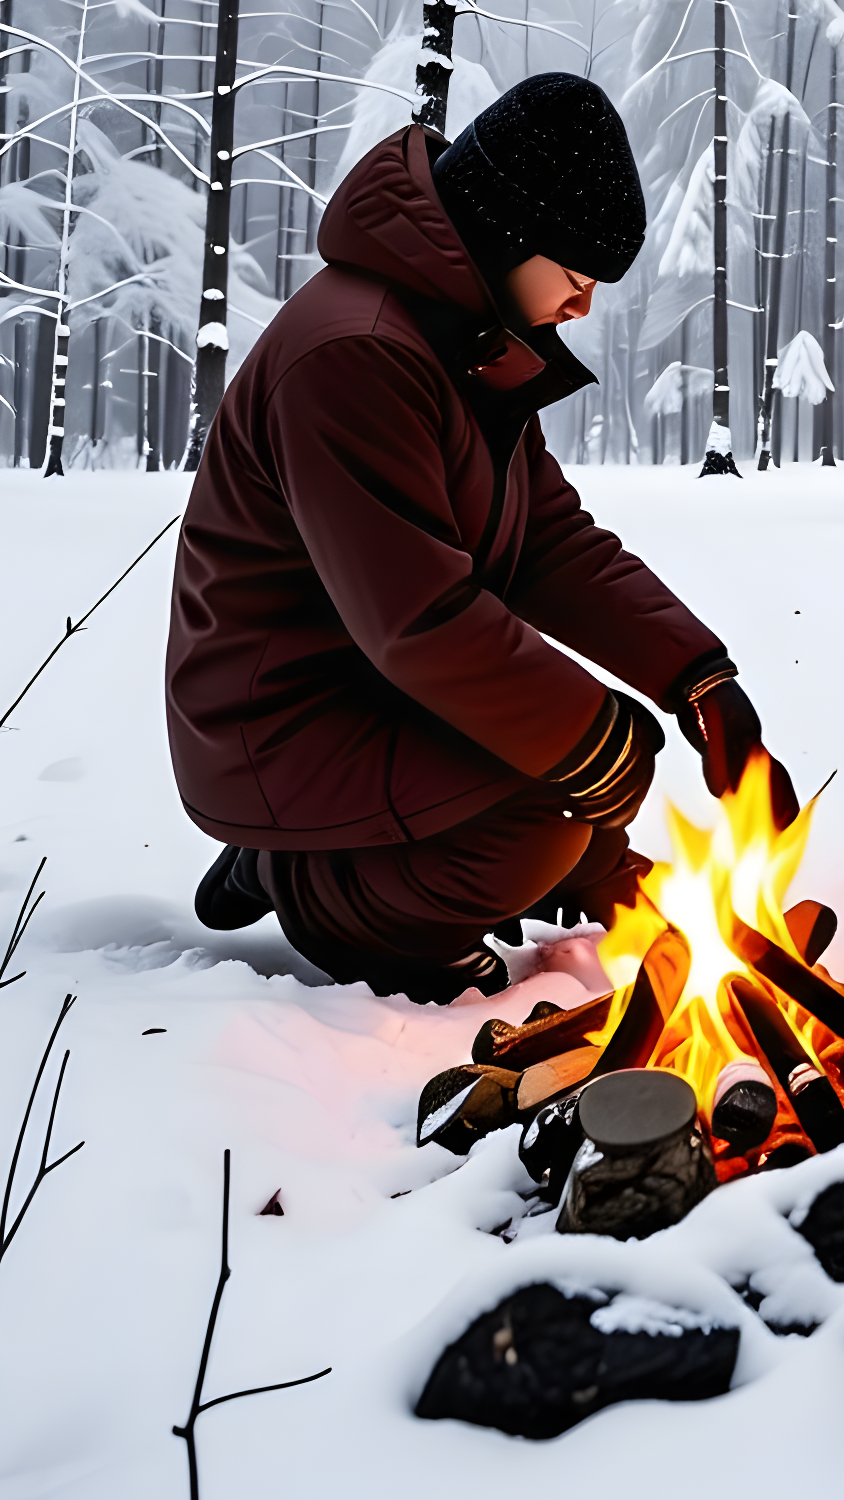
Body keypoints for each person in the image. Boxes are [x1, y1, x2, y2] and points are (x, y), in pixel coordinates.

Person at [165, 73, 797, 1003]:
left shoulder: (461, 342)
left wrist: (697, 678)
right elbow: (416, 617)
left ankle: (558, 871)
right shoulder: (357, 355)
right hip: (286, 719)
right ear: (505, 229)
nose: (582, 305)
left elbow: (547, 541)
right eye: (574, 273)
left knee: (576, 785)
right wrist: (591, 739)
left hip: (382, 693)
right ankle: (316, 888)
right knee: (550, 799)